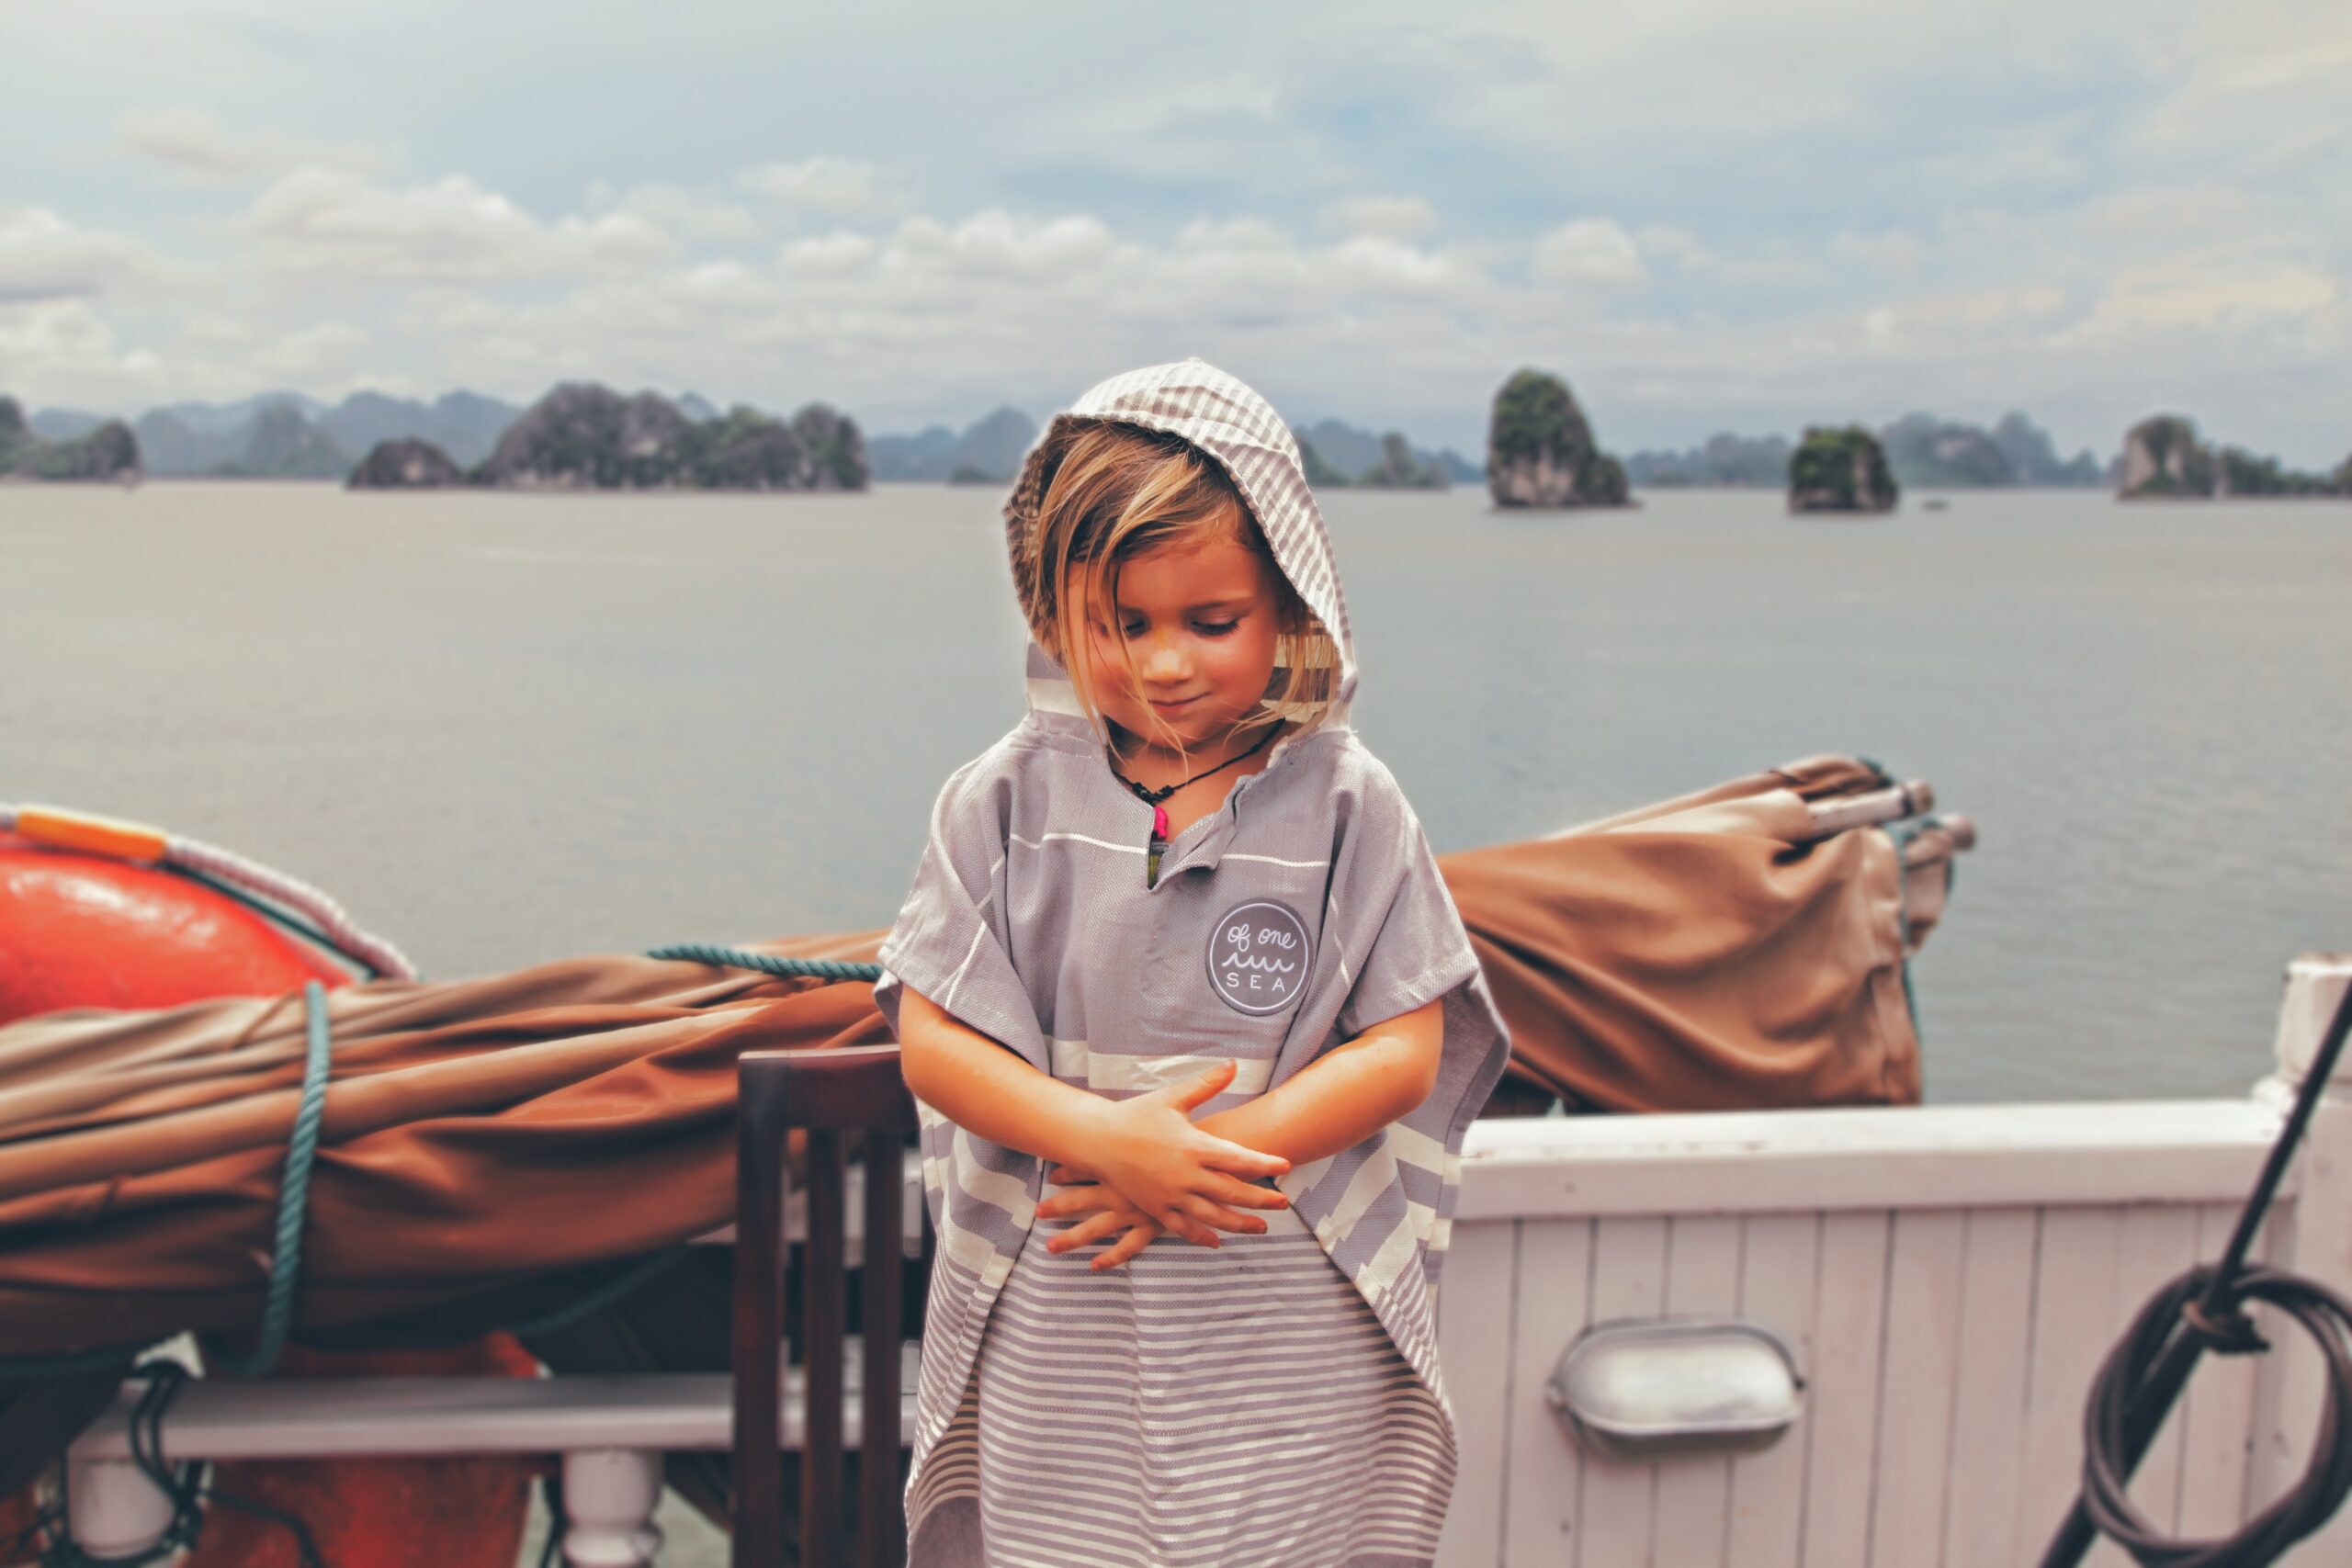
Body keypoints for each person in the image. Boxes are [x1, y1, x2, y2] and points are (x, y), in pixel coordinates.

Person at [871, 358, 1511, 1567]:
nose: (1163, 663)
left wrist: (1210, 1154)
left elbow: (1404, 1043)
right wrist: (1104, 1140)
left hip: (1275, 1305)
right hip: (1063, 1297)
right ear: (1052, 612)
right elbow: (932, 1034)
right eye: (1120, 624)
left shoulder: (1347, 806)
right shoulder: (1000, 802)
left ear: (1287, 606)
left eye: (1209, 622)